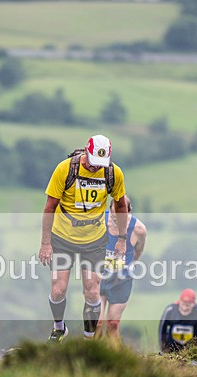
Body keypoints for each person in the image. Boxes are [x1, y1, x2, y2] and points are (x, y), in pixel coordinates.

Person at [38, 134, 128, 341]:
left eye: (102, 164)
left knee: (92, 292)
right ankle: (59, 327)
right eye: (95, 163)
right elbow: (49, 207)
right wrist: (45, 243)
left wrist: (122, 238)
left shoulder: (113, 173)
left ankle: (89, 340)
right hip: (62, 237)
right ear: (87, 152)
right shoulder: (65, 169)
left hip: (94, 240)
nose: (97, 168)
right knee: (58, 289)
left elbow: (121, 205)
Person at [96, 196, 147, 340]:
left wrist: (127, 266)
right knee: (96, 324)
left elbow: (138, 250)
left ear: (129, 212)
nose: (115, 218)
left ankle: (114, 357)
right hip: (99, 278)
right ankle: (91, 355)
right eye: (113, 214)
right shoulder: (99, 220)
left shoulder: (139, 229)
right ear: (109, 209)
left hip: (121, 281)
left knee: (112, 325)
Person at [158, 288, 197, 352]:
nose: (184, 308)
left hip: (191, 353)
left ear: (193, 304)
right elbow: (162, 331)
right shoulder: (170, 310)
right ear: (179, 302)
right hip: (171, 351)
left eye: (187, 305)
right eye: (183, 304)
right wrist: (164, 349)